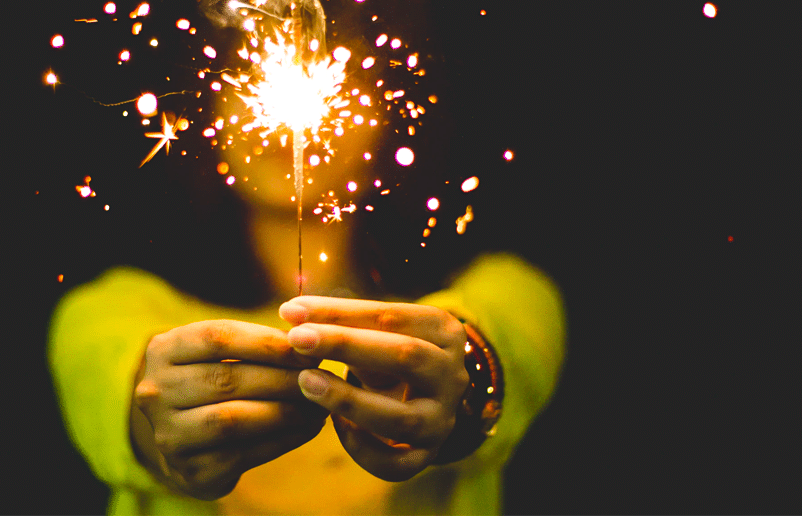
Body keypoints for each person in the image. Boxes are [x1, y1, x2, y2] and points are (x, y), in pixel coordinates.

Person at [48, 71, 566, 515]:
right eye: (249, 78)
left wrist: (456, 380)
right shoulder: (113, 306)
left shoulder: (504, 285)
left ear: (383, 117)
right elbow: (116, 382)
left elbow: (498, 342)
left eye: (328, 76)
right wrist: (162, 431)